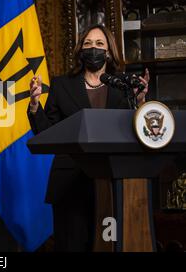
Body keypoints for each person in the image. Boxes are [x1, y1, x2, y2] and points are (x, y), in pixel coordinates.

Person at [27, 24, 150, 251]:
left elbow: (133, 133)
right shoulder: (61, 85)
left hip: (111, 182)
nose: (93, 48)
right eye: (88, 44)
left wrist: (139, 102)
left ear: (109, 52)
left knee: (108, 243)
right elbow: (46, 132)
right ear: (80, 50)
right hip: (69, 184)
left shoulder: (122, 87)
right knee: (72, 245)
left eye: (99, 44)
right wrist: (35, 105)